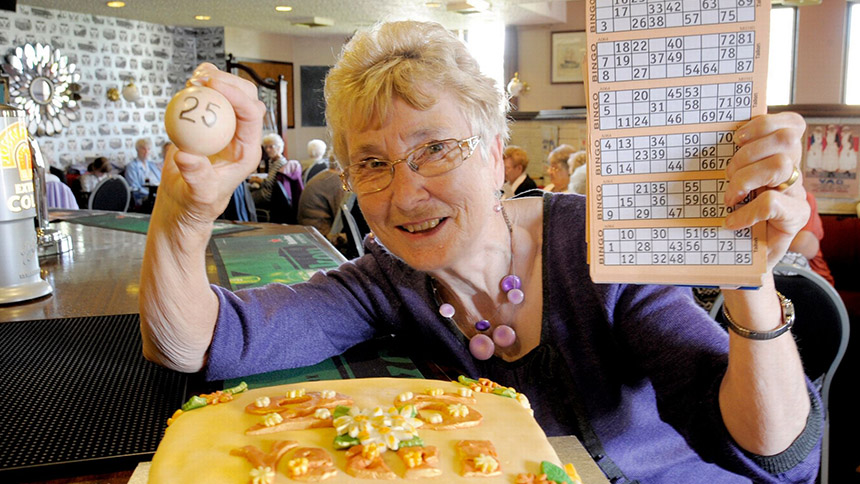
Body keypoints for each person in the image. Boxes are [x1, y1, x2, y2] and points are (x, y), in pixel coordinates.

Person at [140, 21, 820, 483]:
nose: (407, 194)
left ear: (496, 153)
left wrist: (747, 276)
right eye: (372, 163)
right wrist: (185, 211)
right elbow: (199, 342)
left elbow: (775, 453)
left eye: (436, 148)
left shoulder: (598, 246)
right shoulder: (390, 278)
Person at [297, 153, 349, 247]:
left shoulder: (325, 175)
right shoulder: (336, 180)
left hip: (309, 230)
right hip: (321, 236)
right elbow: (344, 216)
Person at [250, 133, 300, 208]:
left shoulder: (279, 163)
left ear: (279, 147)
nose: (267, 150)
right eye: (266, 147)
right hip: (269, 192)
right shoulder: (273, 161)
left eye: (271, 147)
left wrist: (256, 180)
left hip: (268, 195)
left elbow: (269, 184)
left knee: (243, 197)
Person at [124, 138, 162, 208]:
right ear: (137, 150)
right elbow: (134, 187)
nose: (146, 151)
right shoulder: (132, 166)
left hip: (158, 196)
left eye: (148, 149)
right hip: (143, 198)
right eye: (143, 149)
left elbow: (161, 181)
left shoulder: (152, 165)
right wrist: (152, 194)